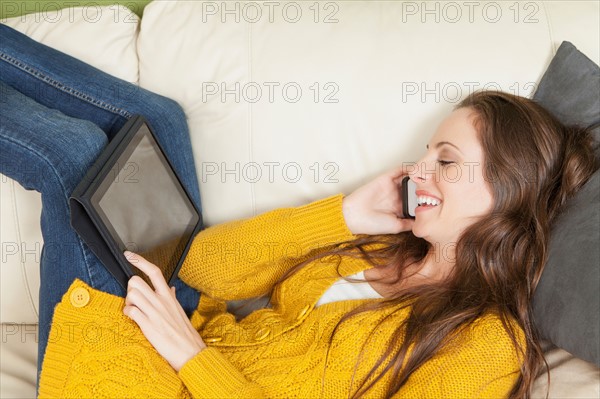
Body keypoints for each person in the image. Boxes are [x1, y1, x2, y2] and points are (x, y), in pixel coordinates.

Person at [1, 24, 597, 399]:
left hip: (159, 380)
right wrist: (345, 214)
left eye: (446, 161)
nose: (418, 172)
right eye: (424, 154)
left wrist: (193, 357)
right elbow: (202, 267)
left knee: (74, 155)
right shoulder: (383, 246)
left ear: (507, 191)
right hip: (179, 330)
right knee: (159, 122)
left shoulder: (485, 345)